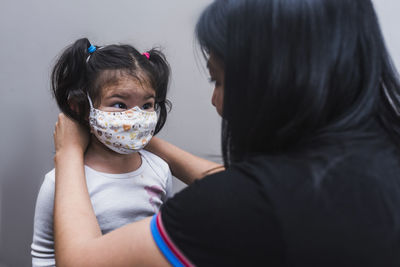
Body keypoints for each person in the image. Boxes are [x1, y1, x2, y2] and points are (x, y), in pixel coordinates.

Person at [52, 0, 400, 266]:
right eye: (121, 106)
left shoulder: (243, 207)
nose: (216, 101)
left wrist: (67, 152)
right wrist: (144, 139)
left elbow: (81, 260)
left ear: (276, 79)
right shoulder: (380, 158)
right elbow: (237, 184)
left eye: (218, 79)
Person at [31, 38, 176, 267]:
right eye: (119, 104)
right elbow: (44, 254)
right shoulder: (60, 182)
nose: (136, 117)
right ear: (80, 107)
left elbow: (167, 236)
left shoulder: (160, 169)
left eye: (147, 105)